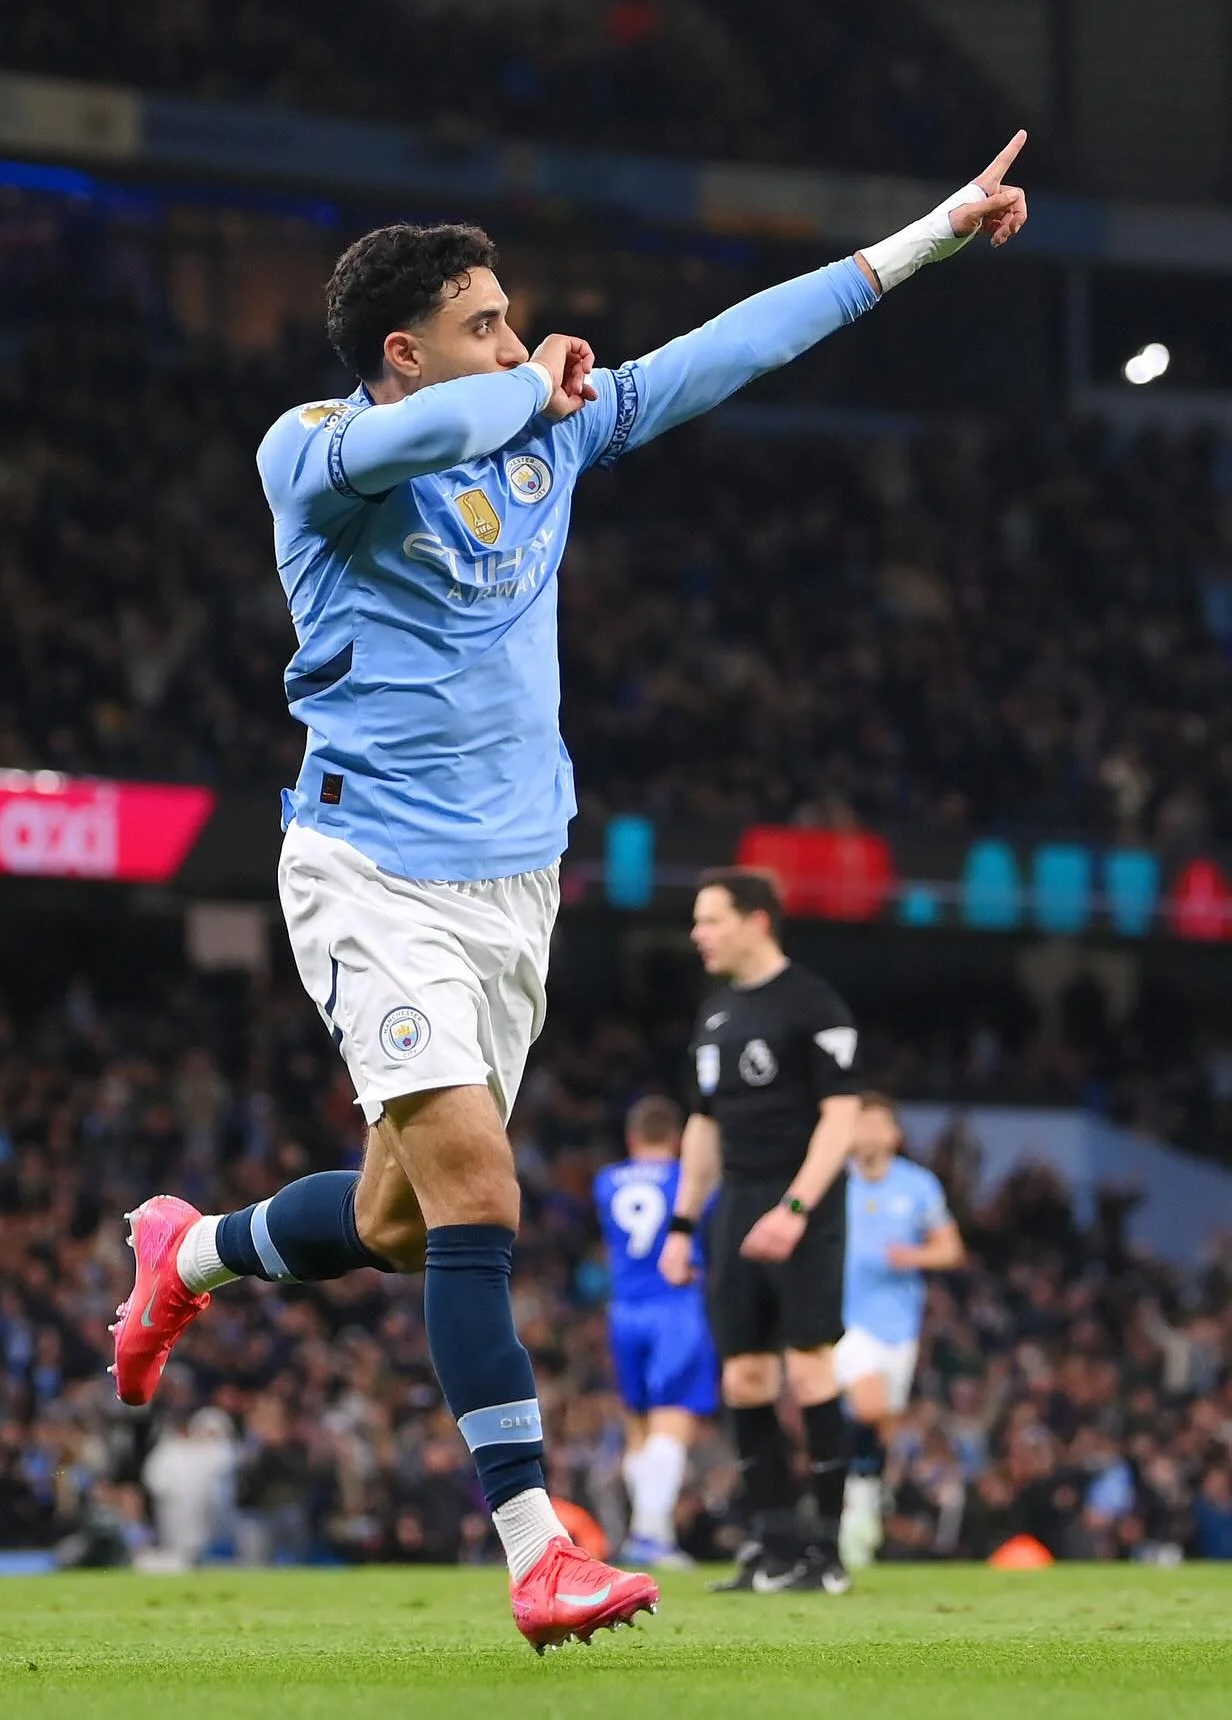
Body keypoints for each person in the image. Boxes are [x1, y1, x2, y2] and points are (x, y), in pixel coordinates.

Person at [109, 137, 1029, 1649]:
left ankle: (191, 1248)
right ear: (404, 352)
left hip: (513, 887)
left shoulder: (551, 434)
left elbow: (739, 343)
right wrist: (524, 381)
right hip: (367, 868)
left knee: (407, 1224)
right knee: (482, 1192)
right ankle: (540, 1549)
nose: (521, 337)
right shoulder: (312, 451)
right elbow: (457, 418)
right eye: (485, 320)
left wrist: (929, 233)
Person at [661, 869, 862, 1594]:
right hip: (737, 1204)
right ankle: (773, 1544)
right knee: (743, 1374)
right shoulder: (715, 1015)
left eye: (710, 919)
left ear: (757, 921)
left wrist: (798, 1208)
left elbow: (842, 1117)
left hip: (802, 1202)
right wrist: (683, 1222)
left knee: (809, 1367)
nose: (697, 933)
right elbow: (703, 1124)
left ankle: (828, 1551)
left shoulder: (813, 1002)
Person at [837, 1092, 964, 1568]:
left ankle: (863, 1504)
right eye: (859, 1123)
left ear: (894, 1134)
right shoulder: (834, 1182)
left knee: (879, 1423)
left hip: (900, 1326)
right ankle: (862, 1503)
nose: (865, 1133)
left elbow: (951, 1250)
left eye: (874, 1124)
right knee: (869, 1406)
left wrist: (911, 1256)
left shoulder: (918, 1186)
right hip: (847, 1320)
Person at [594, 1095, 719, 1568]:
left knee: (639, 1428)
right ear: (677, 1139)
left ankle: (653, 1533)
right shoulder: (690, 1179)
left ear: (632, 1138)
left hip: (625, 1311)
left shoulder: (606, 1181)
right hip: (676, 1307)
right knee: (674, 1422)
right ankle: (648, 1535)